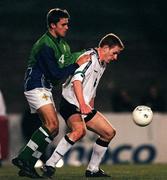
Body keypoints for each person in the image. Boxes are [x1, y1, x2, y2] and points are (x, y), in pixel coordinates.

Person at [12, 8, 90, 178]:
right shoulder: (45, 45)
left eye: (67, 24)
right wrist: (77, 64)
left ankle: (28, 165)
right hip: (35, 84)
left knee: (53, 130)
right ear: (52, 25)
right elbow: (56, 73)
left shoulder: (62, 44)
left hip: (44, 87)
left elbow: (68, 59)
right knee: (52, 125)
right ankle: (23, 158)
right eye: (63, 24)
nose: (67, 27)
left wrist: (87, 54)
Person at [42, 33, 124, 178]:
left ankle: (92, 169)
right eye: (115, 53)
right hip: (70, 103)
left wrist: (90, 101)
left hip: (82, 104)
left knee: (109, 133)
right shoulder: (89, 59)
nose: (116, 57)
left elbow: (92, 84)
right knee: (79, 131)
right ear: (105, 48)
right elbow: (76, 82)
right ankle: (49, 165)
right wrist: (82, 104)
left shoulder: (102, 62)